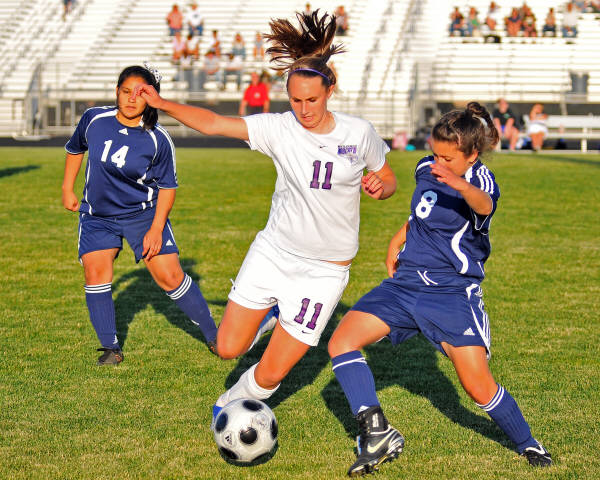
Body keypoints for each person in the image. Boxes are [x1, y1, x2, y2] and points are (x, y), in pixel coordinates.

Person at [131, 10, 396, 424]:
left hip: (325, 272)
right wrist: (162, 104)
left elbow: (388, 177)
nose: (304, 109)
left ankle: (229, 404)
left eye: (312, 100)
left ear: (330, 90)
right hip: (274, 254)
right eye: (296, 100)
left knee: (272, 373)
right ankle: (272, 316)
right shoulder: (279, 128)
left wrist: (382, 186)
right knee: (227, 347)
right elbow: (215, 124)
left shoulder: (359, 133)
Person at [327, 102, 553, 476]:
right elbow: (422, 213)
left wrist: (459, 184)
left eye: (448, 158)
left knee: (478, 387)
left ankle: (528, 443)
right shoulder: (425, 168)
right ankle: (377, 432)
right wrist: (398, 238)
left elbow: (485, 207)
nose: (438, 163)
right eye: (435, 154)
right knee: (342, 342)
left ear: (472, 155)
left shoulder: (481, 181)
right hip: (405, 284)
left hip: (450, 293)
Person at [61, 65, 218, 365]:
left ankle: (214, 336)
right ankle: (111, 348)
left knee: (169, 276)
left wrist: (156, 229)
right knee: (95, 272)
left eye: (140, 94)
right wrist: (68, 188)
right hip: (98, 216)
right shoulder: (94, 119)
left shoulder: (158, 139)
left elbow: (168, 188)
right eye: (125, 92)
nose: (132, 99)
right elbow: (74, 148)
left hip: (143, 215)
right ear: (116, 92)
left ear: (151, 97)